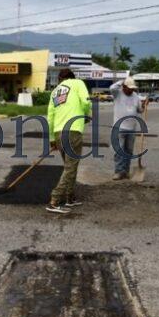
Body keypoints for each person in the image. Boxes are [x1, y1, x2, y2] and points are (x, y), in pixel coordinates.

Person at [46, 68, 92, 214]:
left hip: (58, 132)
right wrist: (86, 115)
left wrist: (52, 138)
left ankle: (69, 197)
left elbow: (50, 117)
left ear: (60, 79)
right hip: (72, 131)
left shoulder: (55, 92)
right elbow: (86, 102)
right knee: (70, 168)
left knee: (70, 166)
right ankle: (54, 200)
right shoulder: (78, 83)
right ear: (72, 77)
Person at [109, 76, 149, 180]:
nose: (131, 90)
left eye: (133, 88)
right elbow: (112, 88)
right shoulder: (117, 94)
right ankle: (118, 172)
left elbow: (139, 110)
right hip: (119, 128)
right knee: (119, 151)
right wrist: (122, 81)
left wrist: (144, 106)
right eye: (129, 88)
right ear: (124, 86)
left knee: (128, 151)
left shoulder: (136, 96)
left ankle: (125, 172)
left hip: (131, 129)